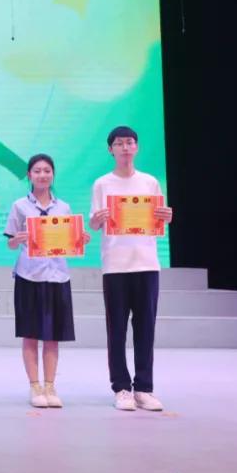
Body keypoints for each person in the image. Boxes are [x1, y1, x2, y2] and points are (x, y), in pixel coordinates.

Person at [89, 126, 173, 412]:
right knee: (116, 329)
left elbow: (159, 221)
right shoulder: (102, 184)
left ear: (136, 147)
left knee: (145, 328)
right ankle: (122, 388)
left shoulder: (150, 182)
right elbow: (93, 223)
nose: (125, 147)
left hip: (146, 263)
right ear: (110, 149)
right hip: (115, 265)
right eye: (119, 143)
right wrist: (98, 219)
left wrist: (166, 216)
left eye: (130, 142)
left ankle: (144, 388)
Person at [3, 154, 86, 408]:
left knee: (53, 336)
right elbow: (10, 243)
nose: (42, 175)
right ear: (29, 175)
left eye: (47, 170)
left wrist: (80, 239)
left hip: (57, 276)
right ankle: (35, 387)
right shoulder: (19, 206)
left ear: (53, 174)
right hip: (29, 275)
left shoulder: (64, 208)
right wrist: (17, 240)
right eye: (37, 171)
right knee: (30, 334)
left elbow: (70, 242)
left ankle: (50, 386)